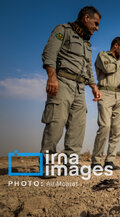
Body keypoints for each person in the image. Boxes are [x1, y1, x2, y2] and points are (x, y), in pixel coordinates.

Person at [41, 6, 101, 158]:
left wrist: (93, 86)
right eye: (96, 23)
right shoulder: (63, 30)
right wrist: (52, 77)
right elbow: (49, 53)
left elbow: (88, 67)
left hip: (80, 88)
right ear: (86, 18)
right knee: (56, 123)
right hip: (62, 83)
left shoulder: (86, 44)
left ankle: (70, 164)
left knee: (77, 127)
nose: (97, 28)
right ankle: (46, 163)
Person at [91, 37, 120, 170]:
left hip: (119, 95)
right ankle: (96, 161)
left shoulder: (119, 62)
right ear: (116, 45)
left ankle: (109, 161)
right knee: (105, 127)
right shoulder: (103, 55)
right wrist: (119, 62)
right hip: (105, 94)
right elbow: (107, 69)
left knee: (117, 130)